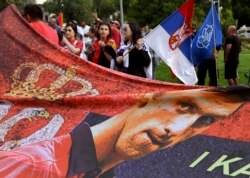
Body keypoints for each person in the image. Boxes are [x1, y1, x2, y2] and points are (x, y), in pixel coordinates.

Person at [0, 86, 249, 177]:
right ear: (150, 98)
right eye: (183, 106)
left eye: (204, 120)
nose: (175, 130)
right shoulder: (34, 166)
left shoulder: (100, 171)